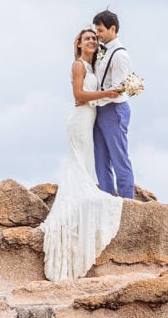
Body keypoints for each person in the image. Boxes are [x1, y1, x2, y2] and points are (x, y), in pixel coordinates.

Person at [39, 28, 124, 283]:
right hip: (79, 119)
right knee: (79, 161)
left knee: (87, 162)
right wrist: (106, 94)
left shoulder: (92, 67)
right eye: (87, 38)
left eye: (94, 39)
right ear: (78, 43)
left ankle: (82, 199)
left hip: (90, 119)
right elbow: (78, 97)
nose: (92, 41)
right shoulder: (79, 66)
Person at [92, 9, 136, 199]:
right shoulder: (103, 51)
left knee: (119, 159)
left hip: (114, 110)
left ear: (113, 29)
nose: (98, 35)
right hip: (100, 110)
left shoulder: (119, 55)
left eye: (100, 30)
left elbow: (118, 90)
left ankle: (128, 202)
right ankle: (106, 200)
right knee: (101, 160)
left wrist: (94, 97)